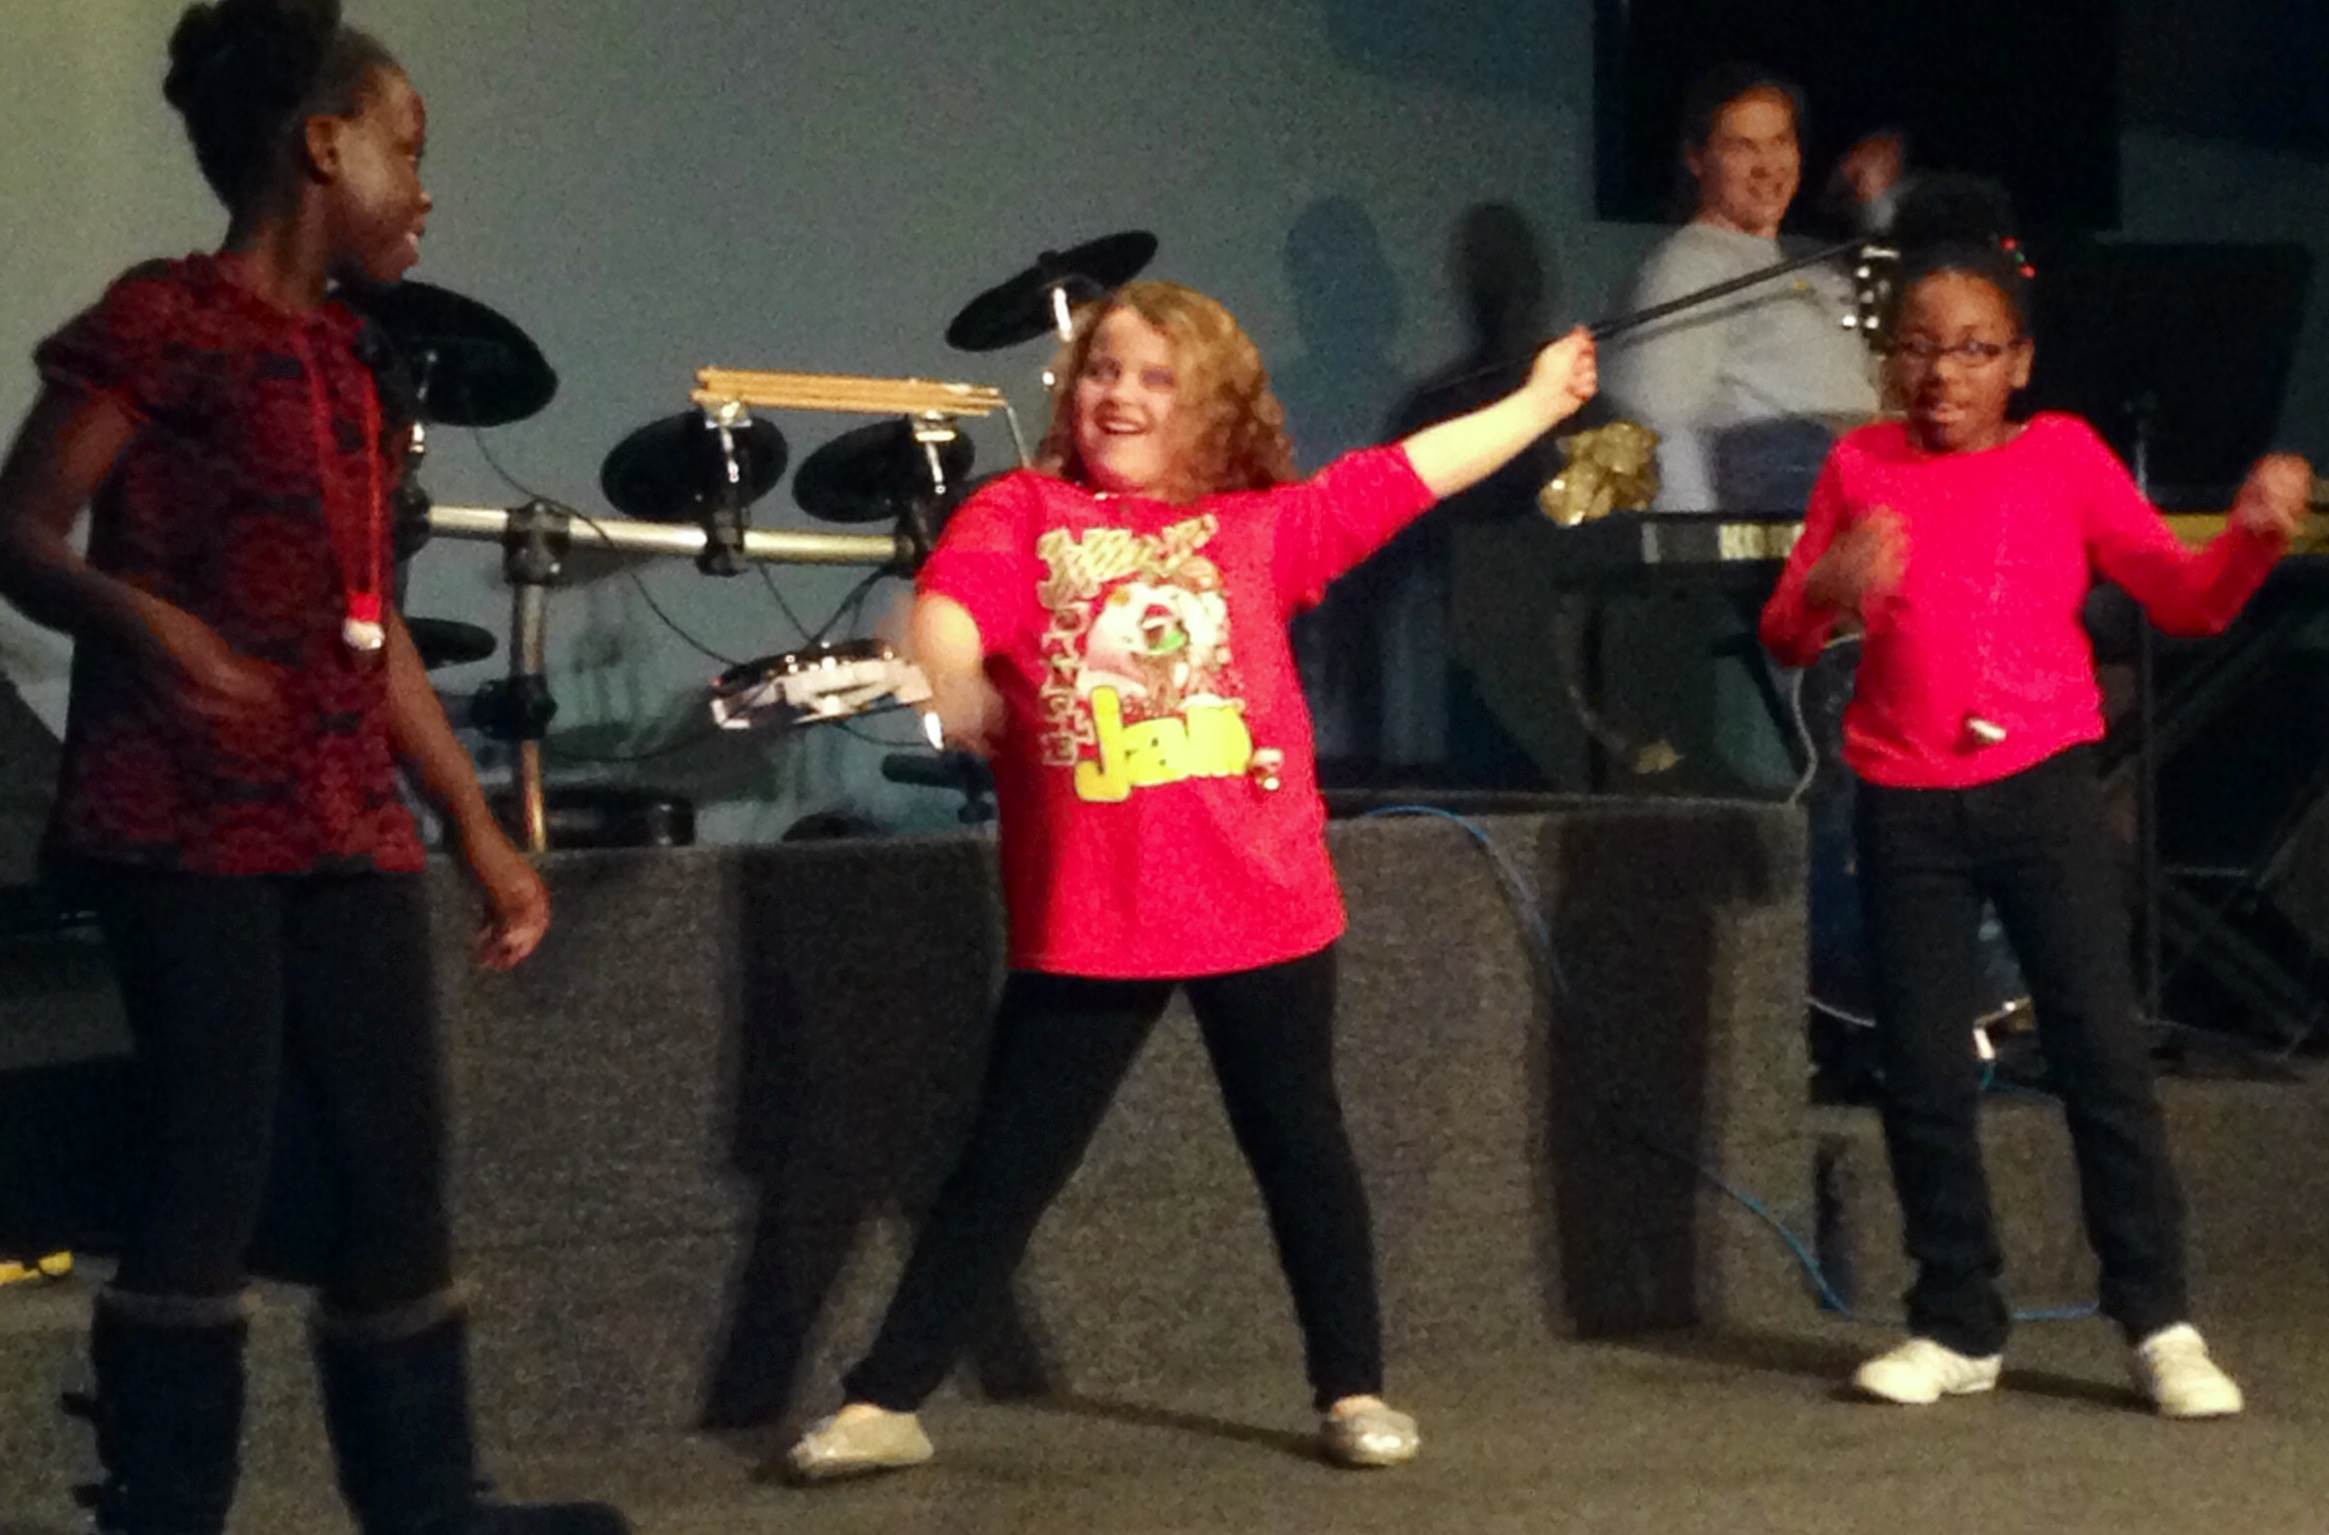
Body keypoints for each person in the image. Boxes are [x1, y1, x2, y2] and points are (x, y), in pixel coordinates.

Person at [781, 280, 1596, 1481]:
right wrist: (950, 676)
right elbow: (949, 606)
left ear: (1209, 408)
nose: (1120, 395)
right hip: (1095, 916)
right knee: (1006, 1165)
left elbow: (1408, 473)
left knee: (1300, 1148)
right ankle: (885, 1398)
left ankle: (1353, 1383)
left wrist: (1538, 402)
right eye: (1103, 370)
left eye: (1157, 379)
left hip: (1260, 900)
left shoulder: (1257, 528)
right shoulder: (1024, 509)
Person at [0, 3, 629, 1529]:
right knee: (206, 1168)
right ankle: (165, 1502)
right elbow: (17, 529)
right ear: (323, 145)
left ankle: (427, 1502)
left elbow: (371, 622)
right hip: (187, 819)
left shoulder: (352, 362)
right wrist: (148, 621)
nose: (426, 187)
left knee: (395, 1166)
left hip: (343, 817)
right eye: (409, 149)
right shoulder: (165, 321)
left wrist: (474, 823)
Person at [1758, 235, 2311, 1418]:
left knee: (2099, 1053)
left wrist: (2254, 535)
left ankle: (2156, 1319)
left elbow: (2185, 600)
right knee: (1921, 1068)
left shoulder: (2061, 455)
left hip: (2042, 788)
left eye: (1971, 350)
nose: (1939, 374)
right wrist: (1825, 587)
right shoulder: (1860, 462)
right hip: (1904, 797)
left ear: (2018, 361)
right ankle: (1955, 1319)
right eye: (1916, 348)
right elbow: (1786, 632)